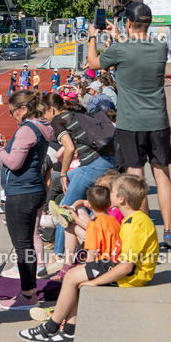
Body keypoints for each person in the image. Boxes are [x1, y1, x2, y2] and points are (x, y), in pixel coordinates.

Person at [18, 174, 158, 342]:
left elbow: (126, 267)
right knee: (73, 276)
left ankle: (50, 328)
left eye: (112, 192)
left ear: (121, 199)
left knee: (71, 277)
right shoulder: (135, 219)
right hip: (119, 266)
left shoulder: (133, 226)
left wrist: (95, 282)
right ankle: (68, 331)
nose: (109, 194)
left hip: (130, 276)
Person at [87, 1, 171, 250]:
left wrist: (93, 37)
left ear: (127, 22)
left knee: (137, 178)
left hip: (130, 123)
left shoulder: (121, 50)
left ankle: (146, 232)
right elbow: (136, 50)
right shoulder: (160, 47)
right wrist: (119, 36)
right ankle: (169, 232)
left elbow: (93, 63)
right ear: (149, 23)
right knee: (163, 175)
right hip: (158, 121)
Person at [0, 90, 51, 310]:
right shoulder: (40, 126)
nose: (11, 115)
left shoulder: (27, 130)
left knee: (22, 247)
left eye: (12, 111)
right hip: (32, 189)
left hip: (22, 192)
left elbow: (14, 163)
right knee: (27, 244)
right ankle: (28, 291)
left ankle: (28, 294)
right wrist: (7, 147)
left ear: (23, 109)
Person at [40, 92, 116, 277]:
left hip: (93, 166)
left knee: (65, 208)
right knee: (79, 197)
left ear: (52, 109)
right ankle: (84, 248)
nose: (44, 118)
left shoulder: (58, 120)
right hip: (109, 161)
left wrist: (63, 173)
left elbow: (69, 148)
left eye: (44, 113)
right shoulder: (76, 113)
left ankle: (58, 256)